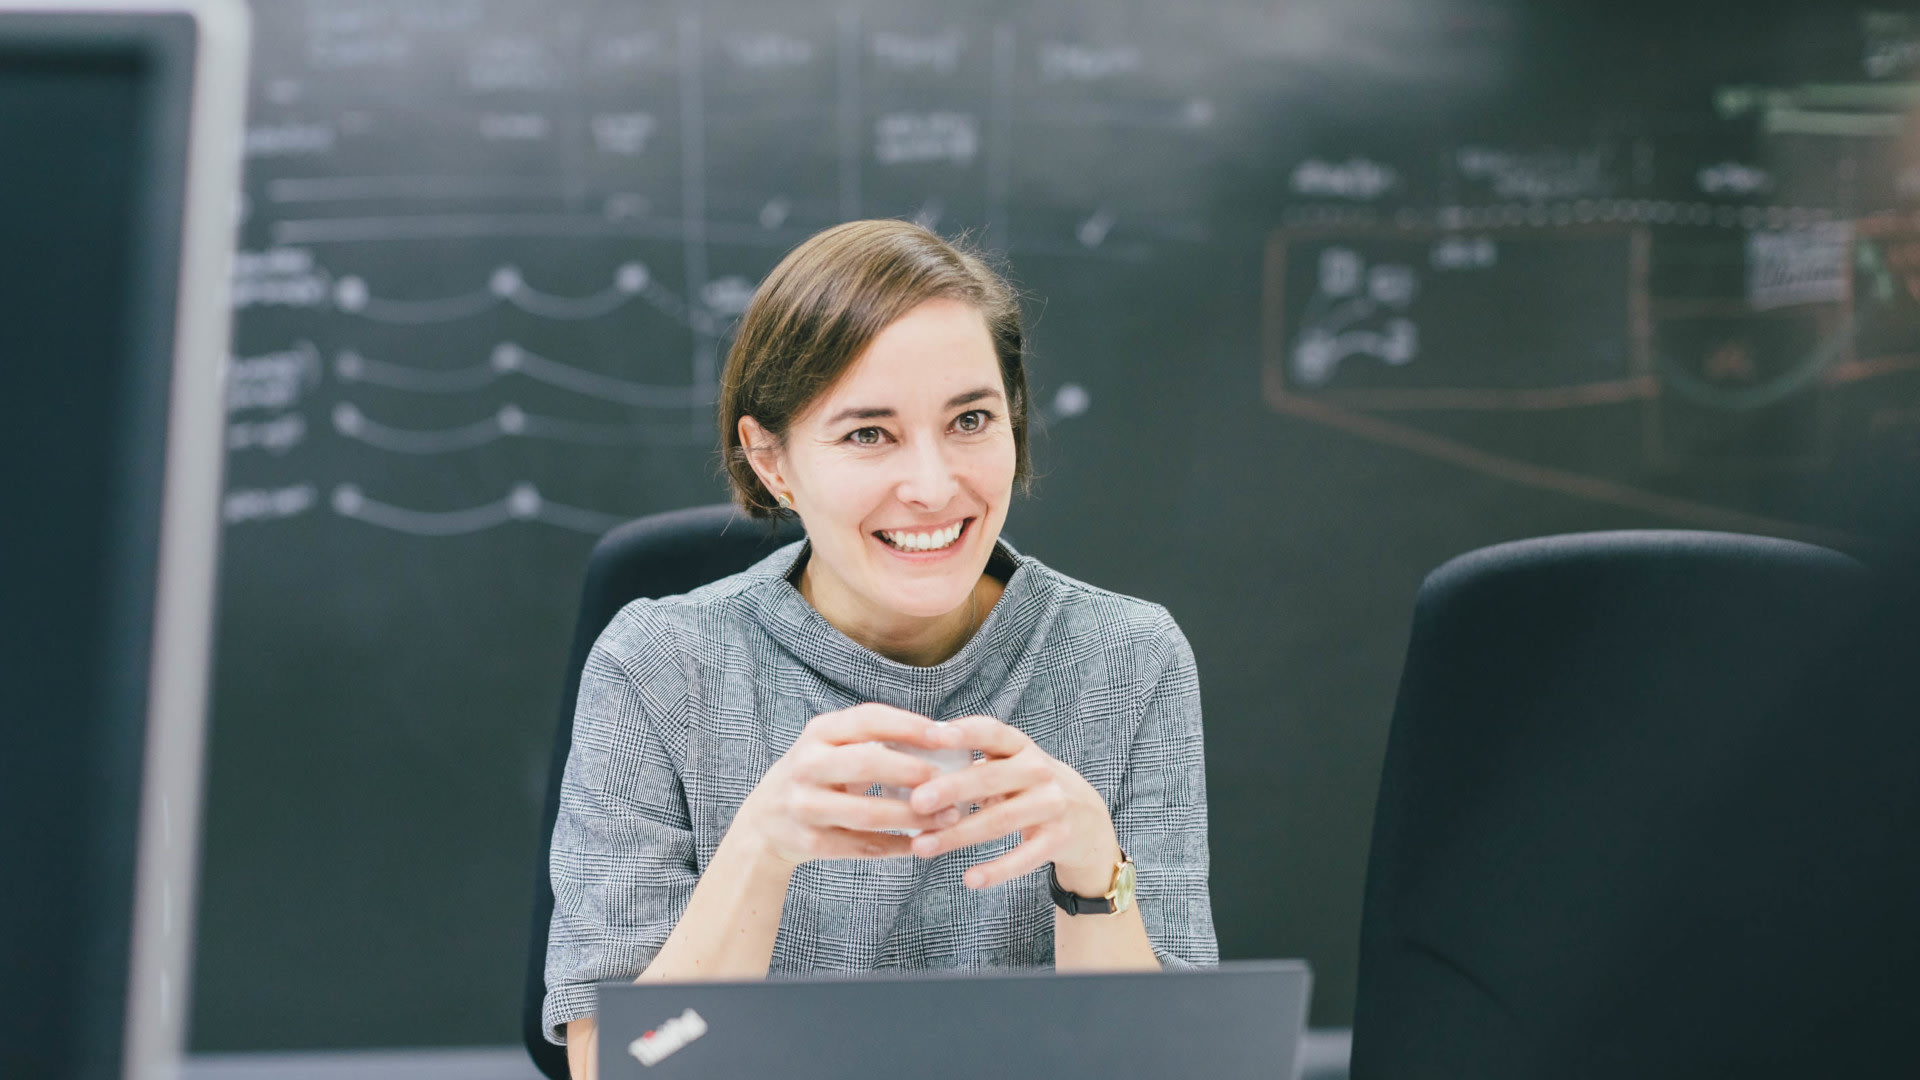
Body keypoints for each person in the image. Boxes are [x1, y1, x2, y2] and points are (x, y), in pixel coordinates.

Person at [542, 219, 1217, 1077]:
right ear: (772, 461)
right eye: (869, 434)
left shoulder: (1127, 658)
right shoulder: (658, 668)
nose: (934, 487)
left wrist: (1092, 869)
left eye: (970, 419)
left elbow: (1173, 1070)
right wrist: (761, 848)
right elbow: (632, 1067)